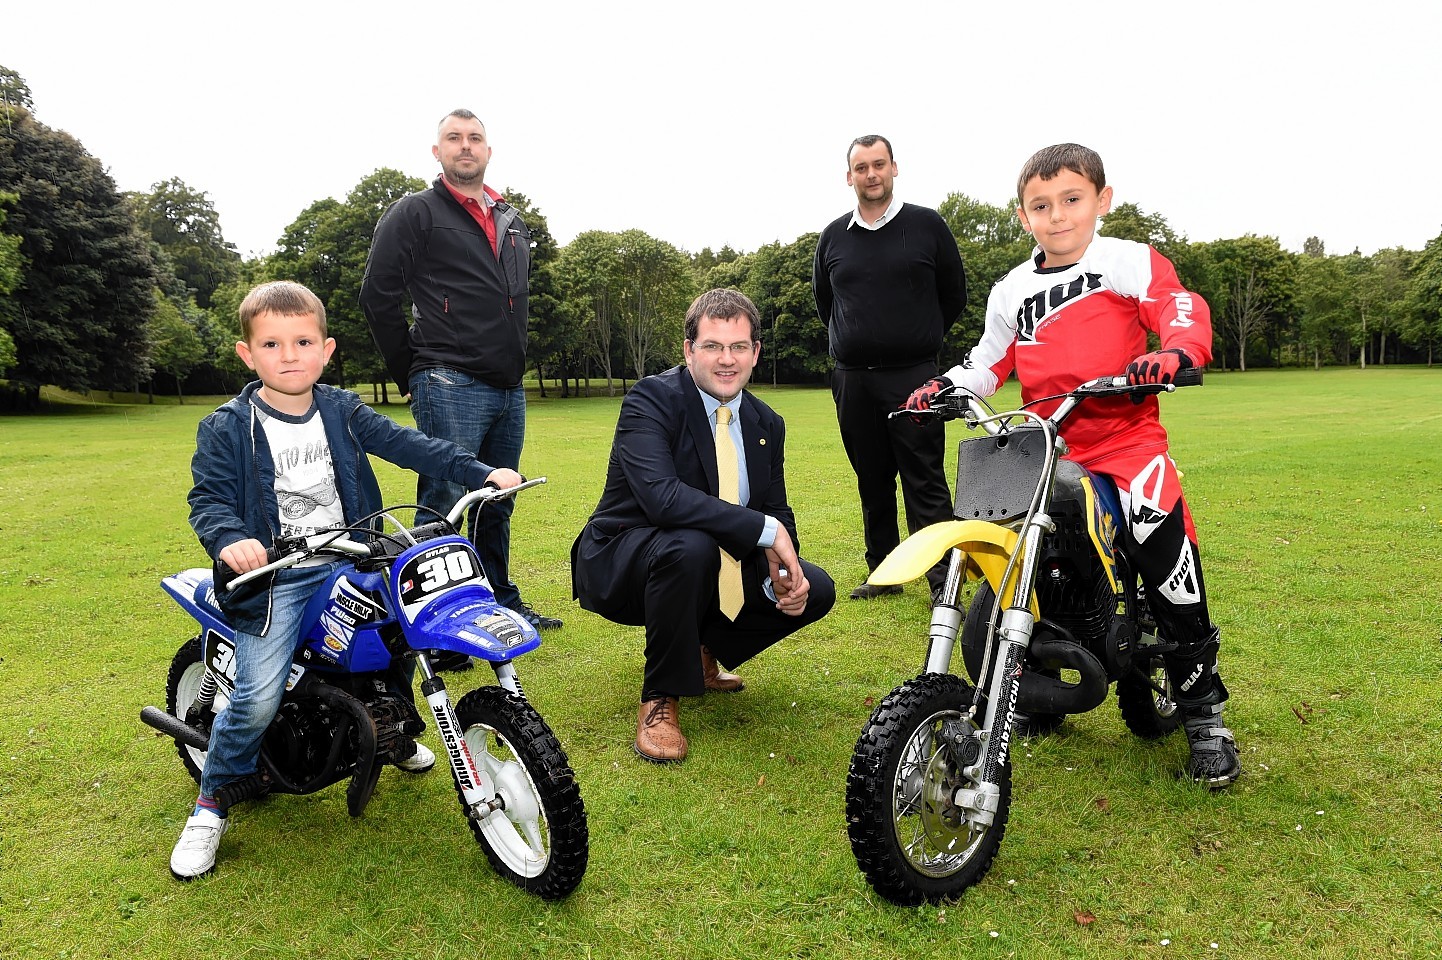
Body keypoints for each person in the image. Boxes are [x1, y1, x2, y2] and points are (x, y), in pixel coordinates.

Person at [904, 143, 1240, 789]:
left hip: (1127, 443)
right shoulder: (1011, 290)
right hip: (1047, 449)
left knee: (1163, 549)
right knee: (1029, 562)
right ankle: (1031, 689)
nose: (1056, 216)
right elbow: (985, 365)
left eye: (1071, 199)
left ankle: (1205, 717)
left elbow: (1178, 305)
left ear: (1102, 200)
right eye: (1040, 205)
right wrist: (941, 387)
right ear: (1023, 214)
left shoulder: (1127, 261)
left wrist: (1176, 351)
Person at [172, 280, 523, 880]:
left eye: (303, 341)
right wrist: (232, 540)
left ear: (326, 349)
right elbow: (208, 498)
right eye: (273, 343)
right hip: (276, 577)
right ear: (247, 353)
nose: (289, 355)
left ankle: (391, 731)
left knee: (397, 642)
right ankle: (211, 803)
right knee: (257, 696)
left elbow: (410, 444)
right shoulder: (226, 426)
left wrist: (479, 469)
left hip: (355, 555)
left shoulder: (341, 409)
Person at [571, 289, 836, 763]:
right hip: (627, 557)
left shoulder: (766, 422)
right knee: (688, 546)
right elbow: (661, 498)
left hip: (710, 562)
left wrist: (783, 565)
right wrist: (766, 530)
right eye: (713, 346)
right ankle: (660, 698)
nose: (727, 360)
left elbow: (776, 507)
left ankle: (702, 650)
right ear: (689, 349)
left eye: (739, 346)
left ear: (756, 352)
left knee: (815, 586)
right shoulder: (650, 399)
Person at [360, 107, 560, 646]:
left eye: (475, 138)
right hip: (448, 379)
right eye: (454, 138)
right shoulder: (415, 213)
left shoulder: (509, 218)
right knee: (444, 498)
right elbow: (377, 297)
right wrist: (411, 369)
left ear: (488, 151)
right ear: (438, 152)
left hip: (506, 385)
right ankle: (432, 621)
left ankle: (498, 599)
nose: (465, 146)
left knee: (499, 494)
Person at [812, 134, 967, 603]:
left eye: (879, 165)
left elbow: (953, 295)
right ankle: (883, 574)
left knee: (925, 479)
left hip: (914, 376)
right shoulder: (834, 237)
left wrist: (915, 339)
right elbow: (826, 302)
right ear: (849, 176)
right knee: (872, 478)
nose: (871, 174)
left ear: (894, 168)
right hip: (853, 379)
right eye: (862, 167)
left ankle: (943, 581)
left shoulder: (926, 226)